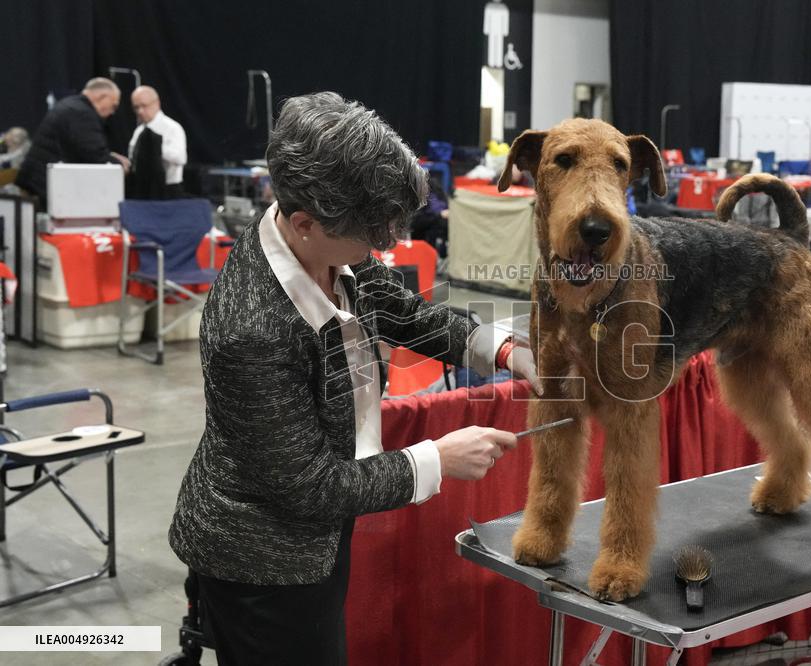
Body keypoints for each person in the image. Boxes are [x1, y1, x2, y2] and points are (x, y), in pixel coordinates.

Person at [168, 91, 540, 666]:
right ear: (304, 223)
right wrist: (438, 459)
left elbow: (403, 311)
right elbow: (311, 488)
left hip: (314, 530)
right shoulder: (252, 330)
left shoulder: (326, 239)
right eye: (373, 239)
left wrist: (502, 347)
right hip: (264, 561)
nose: (382, 249)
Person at [15, 77, 130, 204]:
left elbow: (80, 147)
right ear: (102, 97)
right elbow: (95, 155)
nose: (112, 112)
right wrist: (118, 165)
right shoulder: (83, 114)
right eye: (113, 106)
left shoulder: (71, 105)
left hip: (36, 183)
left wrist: (111, 156)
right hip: (43, 189)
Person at [128, 85, 187, 197]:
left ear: (157, 103)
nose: (140, 111)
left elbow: (181, 158)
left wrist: (154, 146)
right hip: (143, 189)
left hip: (167, 190)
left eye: (144, 106)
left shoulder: (172, 128)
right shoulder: (139, 131)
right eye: (136, 107)